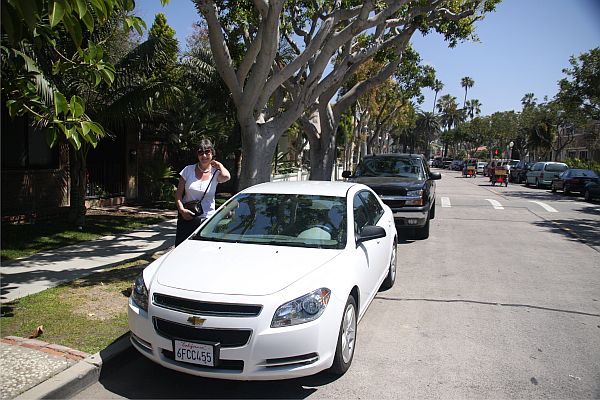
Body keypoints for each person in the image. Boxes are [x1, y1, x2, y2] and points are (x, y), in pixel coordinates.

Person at [175, 139, 231, 246]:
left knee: (204, 250)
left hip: (207, 220)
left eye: (207, 152)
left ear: (212, 153)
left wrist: (219, 165)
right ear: (197, 154)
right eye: (200, 152)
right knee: (184, 249)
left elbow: (227, 176)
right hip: (188, 217)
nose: (204, 156)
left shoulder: (216, 173)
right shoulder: (187, 170)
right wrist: (182, 210)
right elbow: (178, 194)